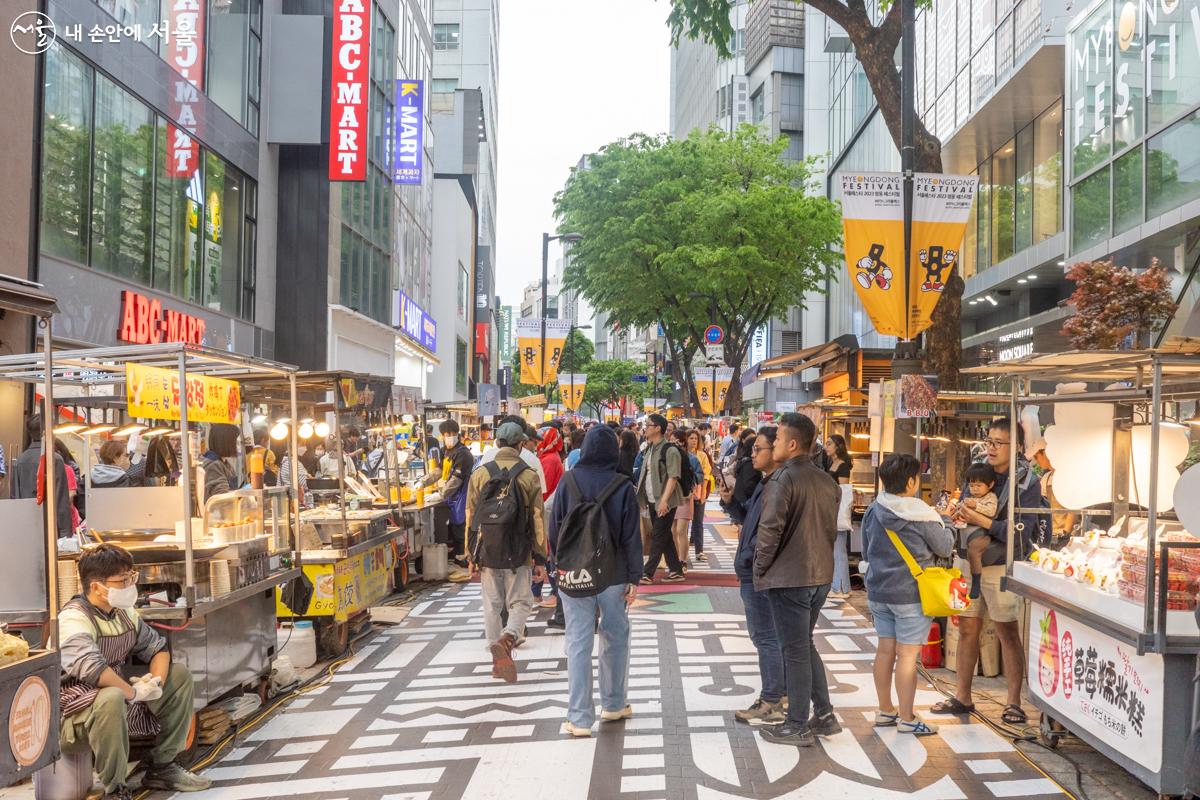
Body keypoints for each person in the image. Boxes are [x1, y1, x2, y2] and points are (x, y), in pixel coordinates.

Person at [58, 544, 211, 799]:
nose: (130, 586)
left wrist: (155, 683)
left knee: (180, 676)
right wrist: (133, 693)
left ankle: (163, 766)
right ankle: (115, 787)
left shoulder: (124, 613)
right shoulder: (73, 619)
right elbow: (95, 671)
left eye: (132, 578)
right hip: (72, 714)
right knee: (111, 697)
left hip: (119, 697)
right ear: (96, 587)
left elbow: (158, 648)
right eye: (122, 580)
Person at [932, 416, 1041, 726]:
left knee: (1007, 630)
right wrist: (959, 513)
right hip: (968, 560)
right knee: (967, 627)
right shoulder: (978, 470)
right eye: (989, 441)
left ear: (1017, 447)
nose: (990, 448)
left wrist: (983, 522)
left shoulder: (1026, 483)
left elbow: (1021, 532)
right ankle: (962, 697)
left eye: (998, 443)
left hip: (1000, 565)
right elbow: (968, 505)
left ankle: (1013, 703)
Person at [753, 412, 840, 745]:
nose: (773, 444)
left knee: (795, 649)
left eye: (776, 439)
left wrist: (760, 566)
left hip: (791, 575)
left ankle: (796, 723)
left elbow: (770, 528)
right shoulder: (826, 479)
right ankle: (825, 714)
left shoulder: (783, 478)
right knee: (804, 643)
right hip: (820, 574)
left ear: (792, 444)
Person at [549, 426, 642, 737]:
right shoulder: (623, 486)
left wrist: (556, 569)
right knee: (615, 638)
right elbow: (632, 537)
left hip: (574, 574)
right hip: (613, 577)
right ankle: (614, 704)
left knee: (577, 642)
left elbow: (555, 531)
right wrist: (634, 577)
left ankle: (579, 718)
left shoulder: (568, 481)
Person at [861, 453, 956, 736]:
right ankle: (907, 718)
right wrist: (948, 522)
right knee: (907, 657)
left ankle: (884, 710)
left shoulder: (874, 509)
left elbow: (866, 549)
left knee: (884, 650)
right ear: (912, 481)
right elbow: (944, 546)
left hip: (878, 591)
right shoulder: (921, 514)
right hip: (910, 595)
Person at [466, 422, 547, 683]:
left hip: (487, 550)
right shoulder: (529, 475)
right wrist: (541, 556)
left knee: (492, 604)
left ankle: (495, 660)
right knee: (521, 602)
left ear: (498, 443)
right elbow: (537, 519)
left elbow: (471, 516)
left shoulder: (479, 473)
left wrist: (471, 554)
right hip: (518, 549)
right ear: (521, 445)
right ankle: (509, 637)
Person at [731, 427, 787, 725]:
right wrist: (730, 502)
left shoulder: (777, 487)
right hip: (756, 570)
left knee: (765, 635)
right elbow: (750, 521)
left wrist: (752, 559)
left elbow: (769, 534)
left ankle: (772, 699)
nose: (753, 454)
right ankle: (779, 694)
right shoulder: (767, 485)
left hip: (760, 573)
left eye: (759, 449)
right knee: (769, 636)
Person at [638, 414, 686, 584]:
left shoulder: (670, 450)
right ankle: (676, 570)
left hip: (665, 501)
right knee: (664, 535)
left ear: (658, 428)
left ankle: (647, 573)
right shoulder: (650, 448)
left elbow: (673, 477)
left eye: (648, 425)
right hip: (652, 499)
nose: (645, 428)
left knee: (658, 535)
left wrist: (664, 500)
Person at [420, 419, 475, 567]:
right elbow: (438, 471)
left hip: (463, 495)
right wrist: (423, 482)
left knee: (462, 526)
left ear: (457, 434)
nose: (449, 437)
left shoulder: (463, 454)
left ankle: (465, 557)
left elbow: (456, 480)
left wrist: (441, 494)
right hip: (452, 496)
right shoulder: (446, 450)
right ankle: (456, 554)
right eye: (446, 434)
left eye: (452, 434)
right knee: (454, 526)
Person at [12, 415, 72, 537]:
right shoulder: (55, 459)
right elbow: (61, 499)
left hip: (26, 526)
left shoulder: (20, 460)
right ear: (47, 432)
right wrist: (66, 534)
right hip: (51, 527)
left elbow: (15, 497)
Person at [952, 462, 999, 600]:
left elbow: (991, 511)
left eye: (979, 485)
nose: (975, 489)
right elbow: (960, 509)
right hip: (965, 529)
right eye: (972, 486)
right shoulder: (969, 497)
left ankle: (976, 582)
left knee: (973, 551)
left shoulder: (991, 497)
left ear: (990, 485)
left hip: (981, 531)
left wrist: (976, 505)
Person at [533, 426, 566, 608]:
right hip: (546, 511)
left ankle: (553, 591)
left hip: (546, 512)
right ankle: (538, 593)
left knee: (547, 552)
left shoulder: (549, 460)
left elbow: (542, 489)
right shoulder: (548, 458)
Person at [480, 415, 548, 496]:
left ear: (498, 441)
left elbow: (473, 500)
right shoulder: (532, 461)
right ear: (522, 439)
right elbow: (538, 499)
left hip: (487, 508)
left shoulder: (487, 457)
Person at [670, 430, 699, 570]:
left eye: (675, 440)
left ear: (682, 441)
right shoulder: (670, 456)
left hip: (686, 497)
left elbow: (698, 476)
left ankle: (683, 561)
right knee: (672, 530)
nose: (672, 443)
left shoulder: (692, 458)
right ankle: (676, 560)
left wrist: (694, 491)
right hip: (672, 497)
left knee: (681, 529)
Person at [720, 435, 760, 526]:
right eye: (754, 449)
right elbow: (746, 518)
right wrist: (729, 501)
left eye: (757, 449)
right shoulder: (749, 464)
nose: (754, 454)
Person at [688, 429, 713, 562]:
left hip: (698, 494)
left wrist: (703, 495)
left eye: (696, 439)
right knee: (682, 525)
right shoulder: (682, 454)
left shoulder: (702, 456)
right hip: (685, 495)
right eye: (691, 438)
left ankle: (699, 551)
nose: (694, 441)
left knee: (698, 523)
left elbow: (705, 477)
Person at [201, 424, 241, 501]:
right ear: (226, 442)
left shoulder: (224, 462)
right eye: (236, 441)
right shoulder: (213, 465)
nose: (237, 445)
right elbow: (222, 496)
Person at [831, 480, 854, 599]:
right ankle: (843, 587)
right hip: (837, 514)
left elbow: (843, 488)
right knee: (839, 552)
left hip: (836, 515)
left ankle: (839, 588)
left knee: (838, 552)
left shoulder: (842, 466)